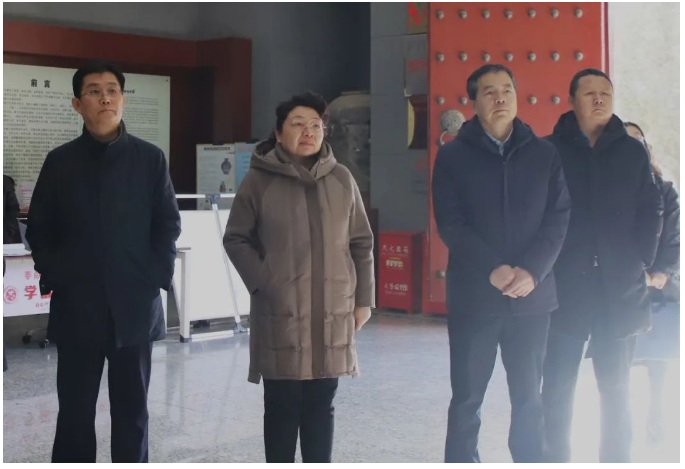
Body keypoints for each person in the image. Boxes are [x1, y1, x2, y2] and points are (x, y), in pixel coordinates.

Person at [26, 59, 181, 463]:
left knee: (133, 411)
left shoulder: (149, 158)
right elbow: (40, 228)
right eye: (94, 91)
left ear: (123, 100)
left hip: (135, 304)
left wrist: (154, 278)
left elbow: (167, 224)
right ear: (78, 104)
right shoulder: (60, 161)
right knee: (75, 412)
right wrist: (57, 273)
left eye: (112, 90)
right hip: (78, 305)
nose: (105, 98)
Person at [224, 91, 375, 463]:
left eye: (315, 126)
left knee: (322, 404)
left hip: (331, 310)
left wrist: (364, 300)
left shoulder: (341, 179)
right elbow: (236, 237)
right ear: (279, 133)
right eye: (297, 124)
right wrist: (264, 281)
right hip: (282, 309)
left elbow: (361, 242)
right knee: (282, 405)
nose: (308, 132)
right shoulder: (259, 181)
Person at [432, 64, 571, 463]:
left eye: (507, 89)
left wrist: (532, 271)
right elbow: (451, 222)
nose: (500, 98)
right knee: (467, 397)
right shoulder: (453, 155)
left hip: (531, 299)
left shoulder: (544, 153)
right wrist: (491, 268)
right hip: (474, 298)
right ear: (474, 101)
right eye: (490, 91)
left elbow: (559, 217)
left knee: (529, 397)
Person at [541, 70, 664, 463]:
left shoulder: (632, 150)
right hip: (566, 285)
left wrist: (641, 257)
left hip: (619, 287)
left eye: (605, 93)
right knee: (557, 386)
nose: (599, 100)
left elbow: (653, 206)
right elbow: (538, 212)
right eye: (590, 93)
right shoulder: (550, 150)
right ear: (572, 100)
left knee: (617, 388)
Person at [624, 122, 680, 444]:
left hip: (658, 287)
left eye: (637, 141)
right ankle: (624, 430)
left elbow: (673, 238)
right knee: (620, 368)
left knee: (659, 365)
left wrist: (661, 273)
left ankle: (657, 420)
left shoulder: (665, 189)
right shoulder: (605, 190)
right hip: (620, 287)